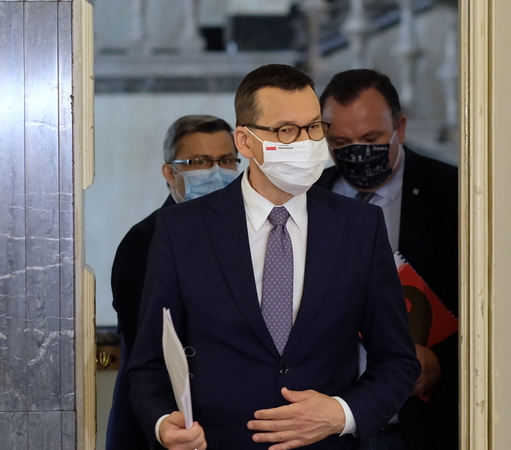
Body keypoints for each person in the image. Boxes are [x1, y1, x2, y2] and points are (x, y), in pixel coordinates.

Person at [127, 64, 420, 450]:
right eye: (286, 131)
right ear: (245, 142)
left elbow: (398, 359)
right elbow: (147, 363)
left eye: (313, 127)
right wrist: (164, 423)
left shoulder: (360, 226)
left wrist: (343, 414)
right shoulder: (182, 230)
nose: (305, 142)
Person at [316, 69, 459, 450]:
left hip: (421, 425)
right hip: (327, 424)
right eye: (340, 142)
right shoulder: (307, 198)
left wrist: (444, 361)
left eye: (371, 139)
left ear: (401, 128)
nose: (357, 152)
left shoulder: (454, 195)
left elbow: (498, 307)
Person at [106, 115, 240, 450]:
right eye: (199, 162)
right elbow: (148, 351)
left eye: (226, 160)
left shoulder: (245, 233)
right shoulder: (144, 242)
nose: (216, 172)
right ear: (170, 173)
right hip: (163, 424)